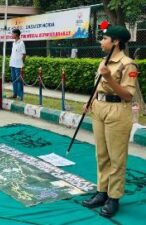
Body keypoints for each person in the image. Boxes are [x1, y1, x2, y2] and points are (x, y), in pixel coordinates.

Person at [81, 25, 138, 218]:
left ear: (115, 42)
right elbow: (98, 85)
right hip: (100, 108)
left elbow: (128, 95)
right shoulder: (103, 60)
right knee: (102, 154)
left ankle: (114, 198)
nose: (101, 41)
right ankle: (102, 192)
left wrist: (109, 78)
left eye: (104, 38)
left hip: (118, 111)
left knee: (116, 158)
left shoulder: (127, 64)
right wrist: (90, 100)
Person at [9, 29, 26, 100]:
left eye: (12, 34)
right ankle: (15, 94)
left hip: (18, 65)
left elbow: (24, 54)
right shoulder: (14, 43)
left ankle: (20, 95)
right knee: (14, 79)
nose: (11, 35)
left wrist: (22, 63)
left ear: (16, 34)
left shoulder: (21, 43)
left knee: (19, 80)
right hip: (12, 64)